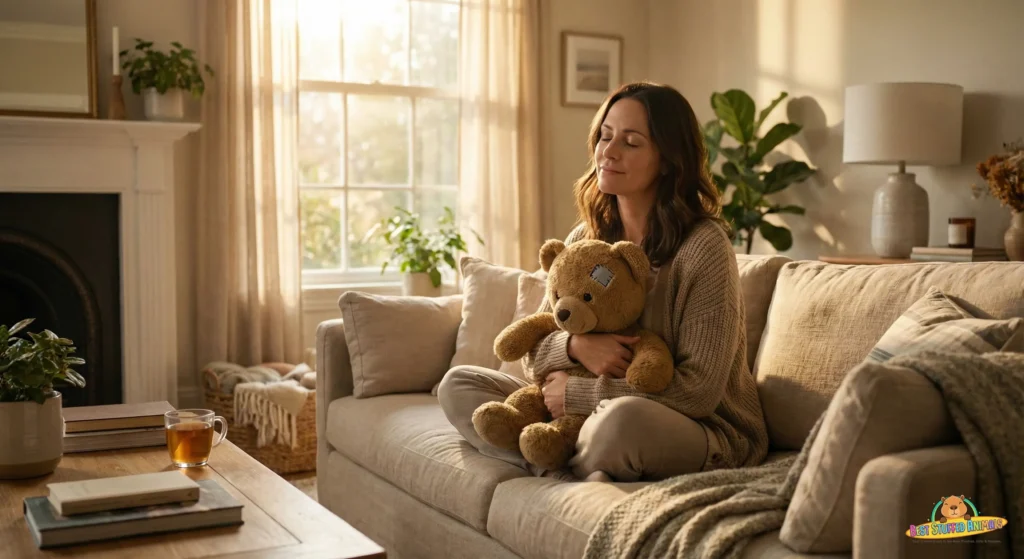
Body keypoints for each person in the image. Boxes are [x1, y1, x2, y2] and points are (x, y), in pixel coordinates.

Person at [437, 81, 769, 482]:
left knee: (620, 423)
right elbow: (532, 355)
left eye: (631, 142)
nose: (608, 152)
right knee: (460, 385)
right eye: (605, 136)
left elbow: (696, 392)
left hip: (697, 427)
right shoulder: (587, 236)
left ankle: (556, 465)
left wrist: (575, 393)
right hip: (579, 415)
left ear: (668, 160)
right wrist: (576, 347)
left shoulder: (704, 247)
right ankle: (554, 462)